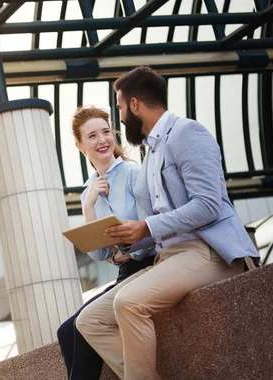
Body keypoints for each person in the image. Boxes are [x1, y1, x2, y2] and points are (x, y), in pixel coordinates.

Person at [75, 66, 260, 380]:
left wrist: (145, 227)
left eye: (119, 108)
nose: (119, 119)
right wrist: (129, 239)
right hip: (168, 257)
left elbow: (208, 205)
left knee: (129, 302)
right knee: (88, 321)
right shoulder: (150, 152)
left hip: (210, 251)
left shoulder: (187, 133)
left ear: (135, 105)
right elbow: (157, 226)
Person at [57, 106, 156, 380]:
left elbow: (150, 232)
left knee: (79, 326)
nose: (102, 140)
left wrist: (123, 250)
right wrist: (89, 205)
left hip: (149, 264)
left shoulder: (134, 175)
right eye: (92, 136)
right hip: (126, 273)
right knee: (66, 331)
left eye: (105, 132)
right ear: (80, 145)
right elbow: (100, 254)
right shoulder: (89, 191)